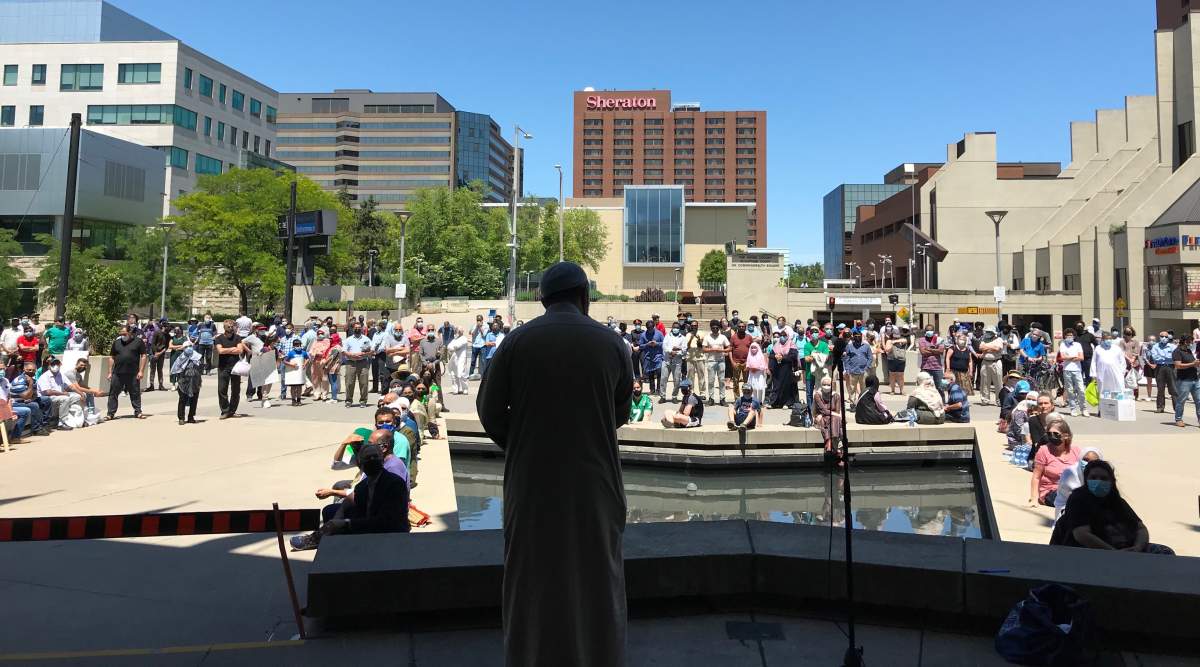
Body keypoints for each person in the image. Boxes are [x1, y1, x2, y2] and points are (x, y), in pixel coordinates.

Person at [476, 261, 633, 666]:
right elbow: (620, 412)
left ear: (543, 299)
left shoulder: (516, 342)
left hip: (532, 482)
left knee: (532, 578)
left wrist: (525, 444)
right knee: (598, 576)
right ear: (584, 297)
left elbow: (489, 412)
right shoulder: (612, 344)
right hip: (596, 483)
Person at [1050, 460, 1174, 554]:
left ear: (1111, 481)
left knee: (1164, 552)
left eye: (1104, 478)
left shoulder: (1117, 502)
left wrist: (1137, 548)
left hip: (1127, 550)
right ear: (1086, 480)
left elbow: (1141, 528)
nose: (1098, 481)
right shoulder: (1078, 499)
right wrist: (1114, 554)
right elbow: (1082, 535)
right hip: (1092, 552)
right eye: (1093, 478)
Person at [1027, 414, 1079, 507]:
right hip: (1050, 491)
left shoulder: (1076, 451)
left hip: (1072, 489)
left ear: (1066, 436)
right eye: (1049, 434)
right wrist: (1034, 498)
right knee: (1073, 500)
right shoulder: (1044, 450)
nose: (1052, 436)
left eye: (1056, 434)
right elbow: (1036, 477)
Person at [1053, 441, 1102, 520]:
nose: (1088, 464)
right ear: (1080, 459)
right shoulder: (1069, 474)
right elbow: (1062, 501)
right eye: (1085, 460)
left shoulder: (1103, 476)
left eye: (1093, 461)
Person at [107, 325, 147, 421]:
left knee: (135, 393)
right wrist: (110, 372)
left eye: (124, 334)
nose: (122, 336)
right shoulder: (116, 343)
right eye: (121, 334)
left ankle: (138, 412)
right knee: (113, 393)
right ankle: (110, 413)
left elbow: (143, 356)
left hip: (133, 373)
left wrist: (141, 371)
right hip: (117, 373)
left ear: (130, 333)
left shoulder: (138, 341)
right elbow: (111, 357)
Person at [36, 357, 81, 429]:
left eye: (57, 364)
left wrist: (81, 394)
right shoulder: (44, 376)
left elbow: (71, 386)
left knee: (77, 396)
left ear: (60, 365)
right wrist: (63, 393)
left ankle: (73, 419)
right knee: (65, 399)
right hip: (48, 398)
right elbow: (48, 392)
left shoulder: (61, 375)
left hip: (59, 396)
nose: (55, 366)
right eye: (53, 364)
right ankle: (61, 423)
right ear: (49, 366)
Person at [212, 320, 245, 419]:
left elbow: (240, 350)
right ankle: (225, 410)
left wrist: (227, 350)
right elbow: (220, 351)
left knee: (236, 390)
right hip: (223, 367)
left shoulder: (237, 337)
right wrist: (233, 349)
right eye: (229, 327)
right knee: (222, 389)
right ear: (224, 327)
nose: (231, 328)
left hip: (235, 367)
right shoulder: (219, 338)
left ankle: (232, 410)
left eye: (232, 326)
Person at [1090, 330, 1127, 413]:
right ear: (1102, 339)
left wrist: (1122, 373)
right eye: (1106, 339)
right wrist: (1093, 374)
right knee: (1103, 391)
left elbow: (1122, 362)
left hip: (1115, 374)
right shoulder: (1098, 348)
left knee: (1117, 390)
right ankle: (1101, 410)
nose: (1108, 340)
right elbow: (1094, 362)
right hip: (1102, 374)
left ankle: (1118, 409)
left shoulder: (1117, 349)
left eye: (1110, 339)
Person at [341, 322, 373, 408]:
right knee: (349, 383)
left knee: (364, 383)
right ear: (353, 328)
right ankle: (348, 400)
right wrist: (352, 355)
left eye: (359, 327)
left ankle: (363, 401)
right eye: (356, 327)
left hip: (363, 363)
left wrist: (364, 354)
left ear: (362, 329)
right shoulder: (348, 339)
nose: (357, 329)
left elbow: (372, 350)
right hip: (350, 363)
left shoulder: (366, 339)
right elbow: (343, 351)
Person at [171, 340, 203, 425]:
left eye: (190, 346)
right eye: (186, 347)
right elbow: (176, 369)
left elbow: (201, 368)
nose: (188, 348)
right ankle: (181, 418)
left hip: (195, 381)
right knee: (182, 399)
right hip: (183, 381)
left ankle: (191, 417)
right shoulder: (181, 358)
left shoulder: (198, 356)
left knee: (194, 400)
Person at [1145, 331, 1178, 414]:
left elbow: (1174, 357)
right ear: (1159, 337)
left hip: (1171, 367)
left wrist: (1163, 357)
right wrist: (1168, 357)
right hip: (1159, 368)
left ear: (1168, 338)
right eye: (1162, 336)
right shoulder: (1155, 346)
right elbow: (1155, 358)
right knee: (1160, 388)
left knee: (1173, 388)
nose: (1164, 338)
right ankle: (1160, 407)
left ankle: (1177, 408)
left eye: (1166, 337)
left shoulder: (1173, 346)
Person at [1172, 334, 1200, 427]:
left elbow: (1193, 363)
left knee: (1199, 400)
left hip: (1195, 379)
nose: (1191, 343)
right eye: (1189, 341)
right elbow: (1178, 365)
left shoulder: (1188, 351)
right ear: (1184, 341)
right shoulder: (1177, 352)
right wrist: (1193, 364)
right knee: (1181, 401)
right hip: (1184, 380)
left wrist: (1196, 364)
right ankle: (1178, 419)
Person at [1058, 328, 1086, 416]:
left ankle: (1083, 408)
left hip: (1077, 370)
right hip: (1067, 369)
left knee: (1081, 389)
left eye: (1071, 335)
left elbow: (1081, 357)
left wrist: (1069, 357)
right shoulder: (1063, 344)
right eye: (1067, 335)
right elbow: (1062, 357)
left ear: (1074, 336)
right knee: (1070, 390)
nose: (1069, 337)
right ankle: (1073, 409)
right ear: (1065, 336)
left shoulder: (1077, 345)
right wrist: (1074, 356)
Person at [702, 319, 730, 406]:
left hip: (721, 361)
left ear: (719, 328)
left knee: (722, 381)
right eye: (713, 328)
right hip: (711, 361)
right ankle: (711, 399)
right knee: (711, 381)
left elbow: (729, 348)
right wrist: (712, 349)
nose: (715, 329)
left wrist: (721, 350)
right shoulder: (707, 337)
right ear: (711, 328)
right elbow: (704, 349)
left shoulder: (723, 337)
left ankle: (722, 399)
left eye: (717, 328)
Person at [842, 329, 872, 405]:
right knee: (852, 388)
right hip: (852, 371)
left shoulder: (866, 346)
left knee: (864, 388)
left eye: (859, 336)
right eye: (856, 336)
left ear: (861, 336)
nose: (857, 338)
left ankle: (864, 403)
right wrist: (847, 369)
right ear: (853, 337)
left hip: (864, 371)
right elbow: (846, 358)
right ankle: (853, 403)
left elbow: (870, 357)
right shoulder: (849, 346)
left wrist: (867, 367)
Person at [813, 375, 842, 454]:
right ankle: (833, 444)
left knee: (834, 419)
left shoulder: (836, 396)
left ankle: (830, 441)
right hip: (820, 416)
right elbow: (823, 410)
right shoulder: (817, 395)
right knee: (828, 419)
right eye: (824, 384)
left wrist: (831, 414)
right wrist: (830, 413)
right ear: (821, 385)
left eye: (828, 385)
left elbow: (837, 412)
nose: (826, 386)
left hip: (832, 417)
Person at [659, 322, 686, 403]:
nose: (675, 329)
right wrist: (671, 351)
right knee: (663, 379)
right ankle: (663, 396)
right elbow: (664, 346)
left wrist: (676, 352)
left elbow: (684, 350)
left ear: (679, 329)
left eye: (677, 328)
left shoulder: (683, 338)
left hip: (677, 362)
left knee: (677, 380)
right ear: (672, 328)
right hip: (666, 361)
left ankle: (674, 396)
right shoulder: (667, 336)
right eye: (674, 327)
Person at [917, 326, 946, 399]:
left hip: (937, 367)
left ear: (934, 331)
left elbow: (941, 351)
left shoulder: (939, 339)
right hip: (925, 367)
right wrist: (935, 351)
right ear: (925, 331)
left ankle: (942, 402)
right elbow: (923, 352)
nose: (929, 332)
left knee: (940, 387)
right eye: (927, 330)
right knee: (923, 387)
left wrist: (929, 349)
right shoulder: (921, 340)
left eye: (931, 330)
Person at [282, 338, 309, 406]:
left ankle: (299, 400)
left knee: (299, 387)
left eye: (299, 345)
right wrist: (291, 364)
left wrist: (305, 364)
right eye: (297, 345)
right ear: (293, 346)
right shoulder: (291, 353)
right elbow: (284, 361)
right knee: (293, 387)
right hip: (293, 373)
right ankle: (293, 400)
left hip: (300, 373)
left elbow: (307, 358)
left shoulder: (303, 352)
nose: (298, 346)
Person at [882, 330, 908, 396]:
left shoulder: (902, 340)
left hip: (901, 360)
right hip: (892, 360)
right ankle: (892, 390)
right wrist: (892, 344)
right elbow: (887, 349)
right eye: (895, 336)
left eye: (897, 336)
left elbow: (905, 340)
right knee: (892, 375)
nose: (896, 337)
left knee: (901, 376)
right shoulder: (889, 341)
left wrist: (896, 341)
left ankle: (901, 390)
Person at [745, 341, 768, 405]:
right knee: (753, 388)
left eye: (755, 347)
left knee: (760, 388)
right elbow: (747, 364)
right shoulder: (749, 355)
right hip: (752, 374)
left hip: (759, 374)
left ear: (758, 348)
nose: (753, 349)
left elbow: (763, 366)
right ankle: (754, 400)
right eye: (752, 348)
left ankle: (760, 401)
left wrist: (756, 369)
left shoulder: (761, 356)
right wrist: (750, 368)